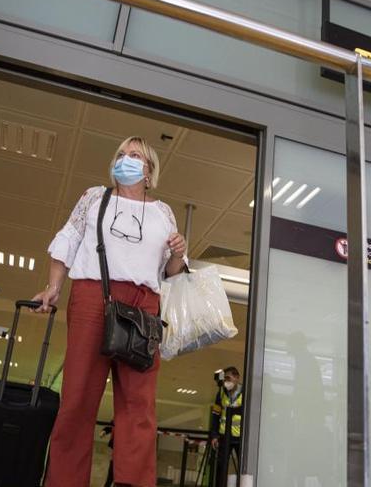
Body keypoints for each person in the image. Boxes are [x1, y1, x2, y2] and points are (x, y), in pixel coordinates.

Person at [32, 136, 188, 487]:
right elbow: (68, 240)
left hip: (144, 306)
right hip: (92, 298)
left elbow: (172, 272)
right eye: (121, 154)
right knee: (77, 400)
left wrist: (178, 252)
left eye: (135, 155)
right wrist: (54, 286)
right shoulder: (93, 197)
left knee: (139, 407)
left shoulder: (164, 213)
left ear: (149, 171)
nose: (126, 160)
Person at [210, 367, 243, 487]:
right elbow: (216, 415)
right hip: (224, 436)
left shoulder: (245, 393)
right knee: (221, 467)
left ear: (237, 377)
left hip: (241, 438)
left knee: (243, 467)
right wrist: (214, 435)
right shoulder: (221, 393)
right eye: (224, 379)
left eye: (228, 378)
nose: (226, 382)